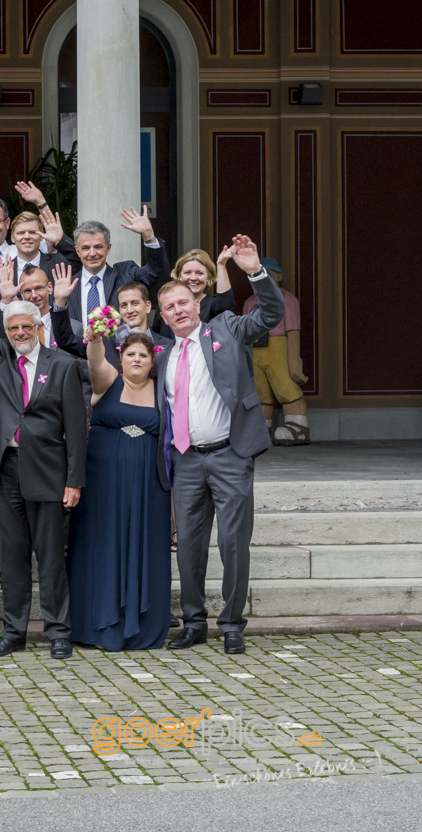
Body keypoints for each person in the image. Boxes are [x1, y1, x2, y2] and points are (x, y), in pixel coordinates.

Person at [156, 235, 283, 655]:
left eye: (184, 303)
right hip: (187, 461)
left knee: (232, 543)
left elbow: (271, 314)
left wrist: (255, 273)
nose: (178, 310)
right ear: (164, 315)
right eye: (169, 307)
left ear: (197, 302)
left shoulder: (226, 327)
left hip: (229, 453)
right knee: (189, 548)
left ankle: (231, 624)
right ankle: (194, 623)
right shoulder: (162, 355)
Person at [0, 282, 88, 660]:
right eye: (13, 329)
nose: (20, 334)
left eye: (27, 327)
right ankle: (13, 632)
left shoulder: (62, 365)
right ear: (6, 333)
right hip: (5, 468)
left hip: (48, 471)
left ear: (39, 328)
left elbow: (76, 427)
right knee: (11, 557)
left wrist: (74, 479)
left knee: (50, 557)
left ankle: (59, 631)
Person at [69, 330, 172, 650]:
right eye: (130, 355)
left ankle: (143, 627)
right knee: (103, 545)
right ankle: (96, 625)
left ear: (152, 360)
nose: (137, 359)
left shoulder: (163, 391)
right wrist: (95, 339)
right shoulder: (107, 381)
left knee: (146, 545)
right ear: (121, 359)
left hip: (149, 485)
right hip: (103, 483)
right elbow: (94, 360)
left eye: (143, 355)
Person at [56, 209, 170, 336]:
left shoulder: (125, 273)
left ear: (108, 248)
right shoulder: (67, 286)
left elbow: (156, 274)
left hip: (119, 353)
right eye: (86, 248)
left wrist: (149, 237)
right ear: (78, 251)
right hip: (76, 353)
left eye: (98, 247)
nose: (92, 253)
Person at [242, 257, 309, 446]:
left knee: (285, 385)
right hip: (256, 348)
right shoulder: (249, 302)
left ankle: (298, 425)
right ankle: (262, 426)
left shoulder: (288, 300)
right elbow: (243, 332)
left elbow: (293, 331)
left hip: (278, 347)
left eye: (268, 274)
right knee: (260, 390)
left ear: (279, 277)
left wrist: (294, 360)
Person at [52, 278, 174, 369]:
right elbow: (66, 341)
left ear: (148, 306)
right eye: (124, 305)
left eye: (135, 303)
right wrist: (60, 301)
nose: (130, 310)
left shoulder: (168, 346)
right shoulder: (104, 343)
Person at [152, 247, 235, 341]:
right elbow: (156, 337)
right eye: (187, 273)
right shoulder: (166, 305)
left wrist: (221, 265)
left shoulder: (213, 304)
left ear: (208, 277)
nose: (193, 278)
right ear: (179, 276)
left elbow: (226, 304)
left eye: (199, 273)